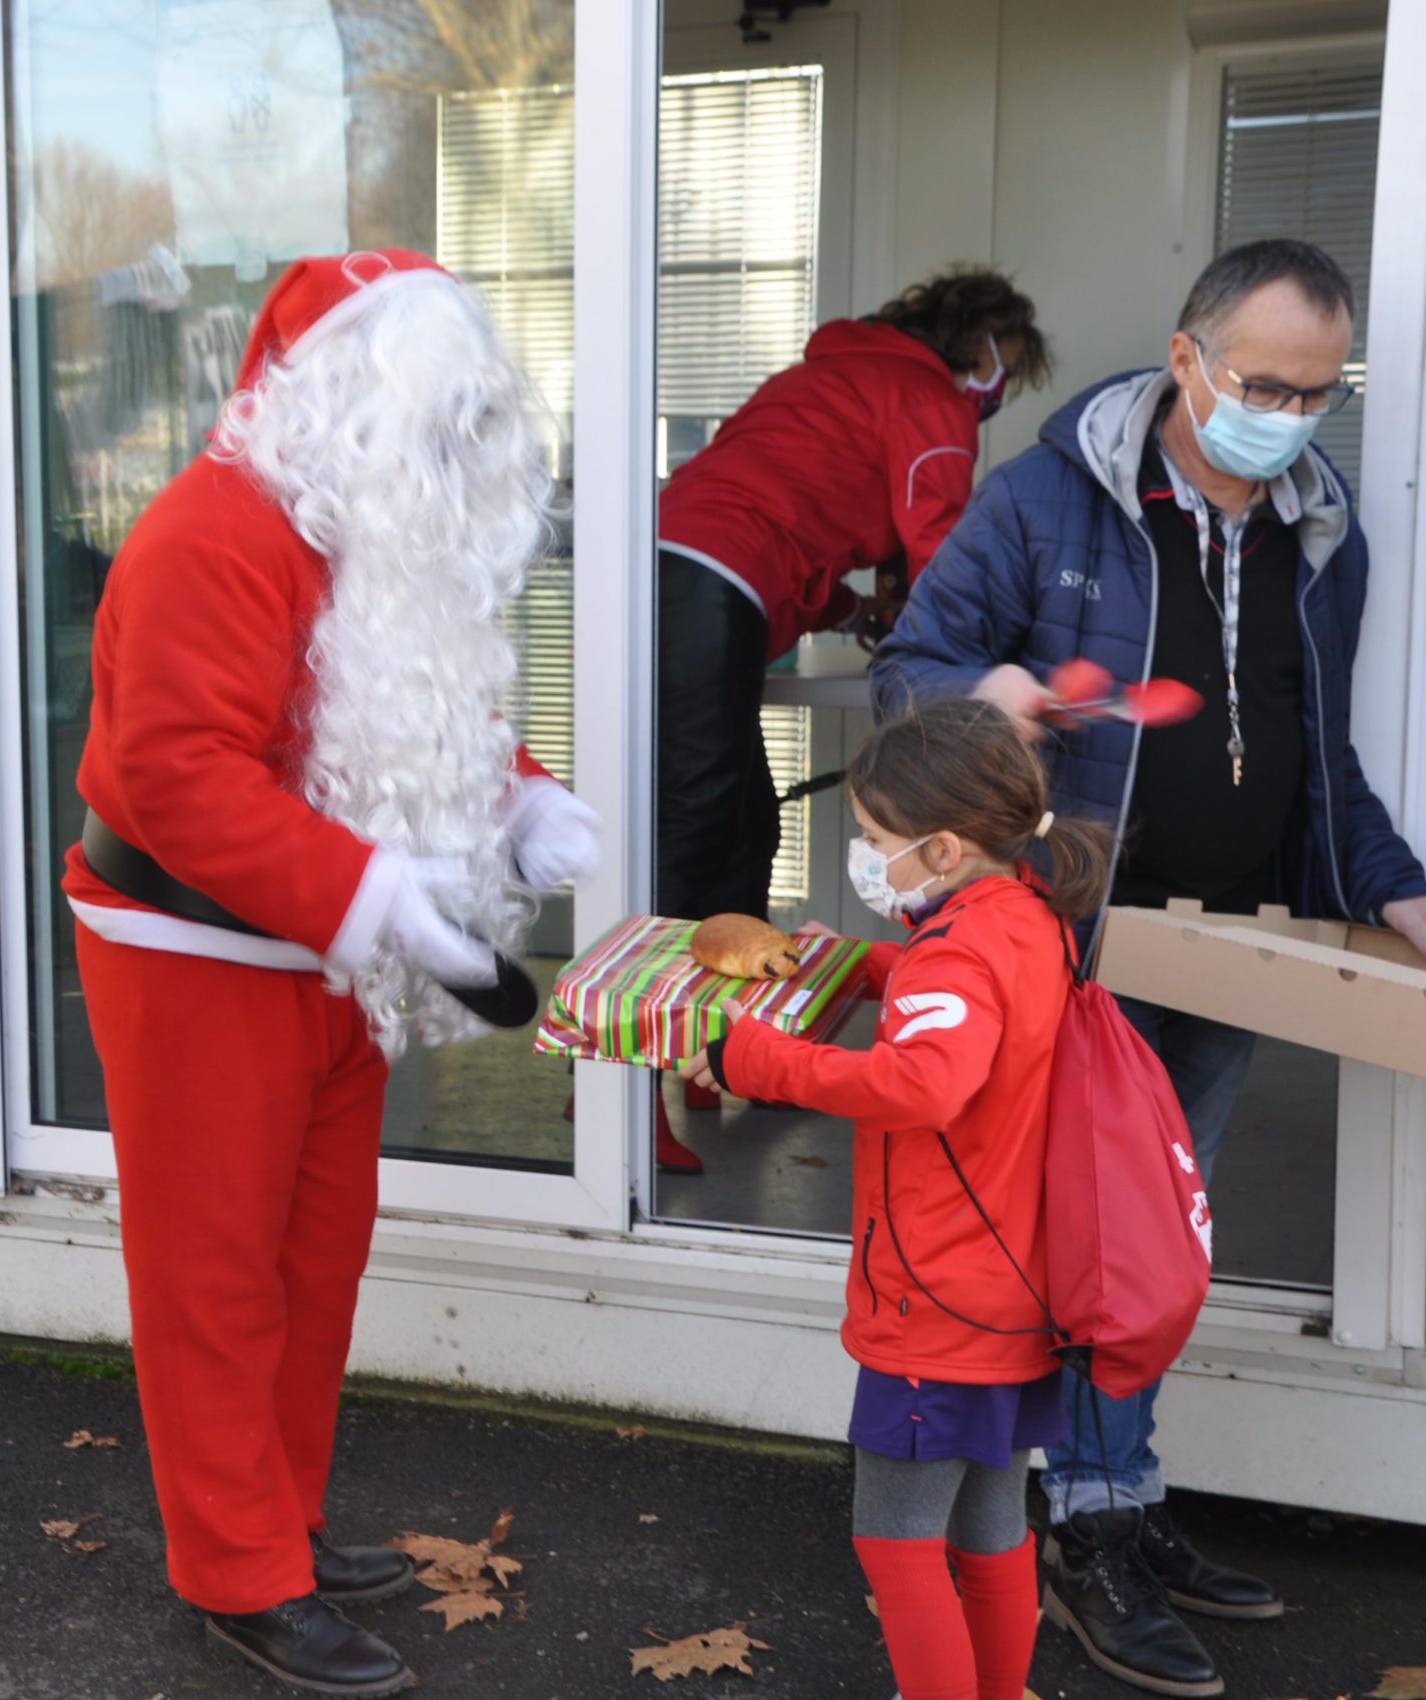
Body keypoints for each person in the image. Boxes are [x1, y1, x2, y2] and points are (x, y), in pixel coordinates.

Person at [872, 237, 1426, 1698]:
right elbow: (910, 666)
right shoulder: (1052, 497)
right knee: (1076, 1253)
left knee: (1150, 1254)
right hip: (1073, 955)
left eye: (1322, 390)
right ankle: (1087, 1526)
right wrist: (981, 696)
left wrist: (1401, 890)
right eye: (1265, 384)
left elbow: (1320, 769)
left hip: (1230, 949)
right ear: (1187, 361)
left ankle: (1114, 1504)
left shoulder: (1326, 531)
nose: (1293, 415)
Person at [63, 250, 603, 1698]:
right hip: (194, 953)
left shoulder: (377, 525)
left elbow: (412, 714)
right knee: (217, 1277)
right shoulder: (210, 533)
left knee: (316, 1259)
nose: (463, 439)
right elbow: (175, 775)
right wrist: (367, 893)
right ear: (349, 395)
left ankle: (281, 1523)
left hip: (329, 960)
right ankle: (236, 1569)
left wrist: (517, 797)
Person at [683, 697, 1114, 1700]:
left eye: (877, 840)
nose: (866, 855)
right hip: (1012, 1286)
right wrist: (860, 967)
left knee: (894, 1540)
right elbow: (958, 1003)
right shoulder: (1021, 917)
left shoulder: (955, 952)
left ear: (946, 846)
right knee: (992, 1526)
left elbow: (924, 1080)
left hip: (937, 1300)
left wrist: (760, 1057)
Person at [652, 268, 1050, 1173]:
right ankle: (625, 1086)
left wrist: (851, 613)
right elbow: (944, 546)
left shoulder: (827, 376)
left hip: (689, 569)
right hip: (715, 578)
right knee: (696, 822)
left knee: (744, 823)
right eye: (1005, 368)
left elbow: (792, 508)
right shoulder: (926, 397)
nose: (995, 391)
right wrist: (984, 662)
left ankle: (715, 1053)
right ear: (978, 349)